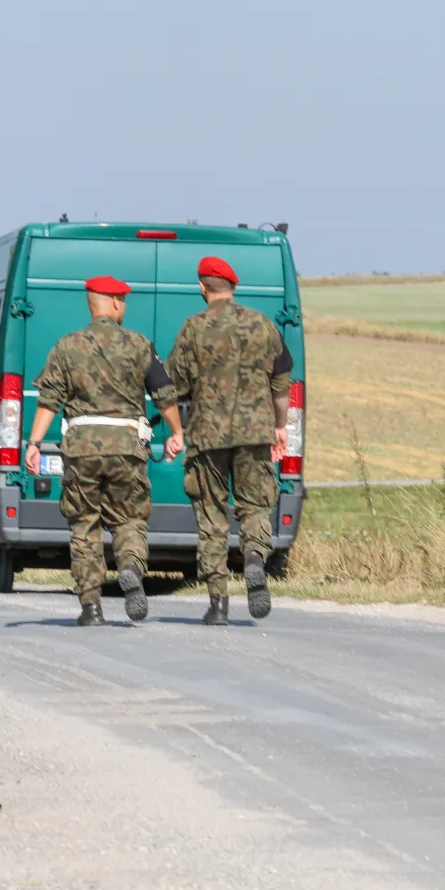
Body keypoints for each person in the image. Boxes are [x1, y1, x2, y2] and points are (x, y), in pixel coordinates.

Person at [25, 275, 185, 627]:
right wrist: (176, 432)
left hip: (81, 449)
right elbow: (164, 394)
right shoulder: (139, 344)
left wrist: (34, 444)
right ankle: (129, 567)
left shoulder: (66, 346)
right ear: (114, 302)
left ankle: (91, 608)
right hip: (127, 447)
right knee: (129, 519)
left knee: (84, 526)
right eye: (123, 300)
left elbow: (49, 400)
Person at [166, 256, 292, 625]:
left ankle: (217, 604)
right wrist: (280, 426)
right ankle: (254, 558)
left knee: (211, 514)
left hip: (208, 435)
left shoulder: (193, 328)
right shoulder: (263, 325)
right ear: (232, 288)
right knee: (255, 505)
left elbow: (174, 383)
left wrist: (175, 424)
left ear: (203, 288)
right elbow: (282, 382)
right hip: (256, 432)